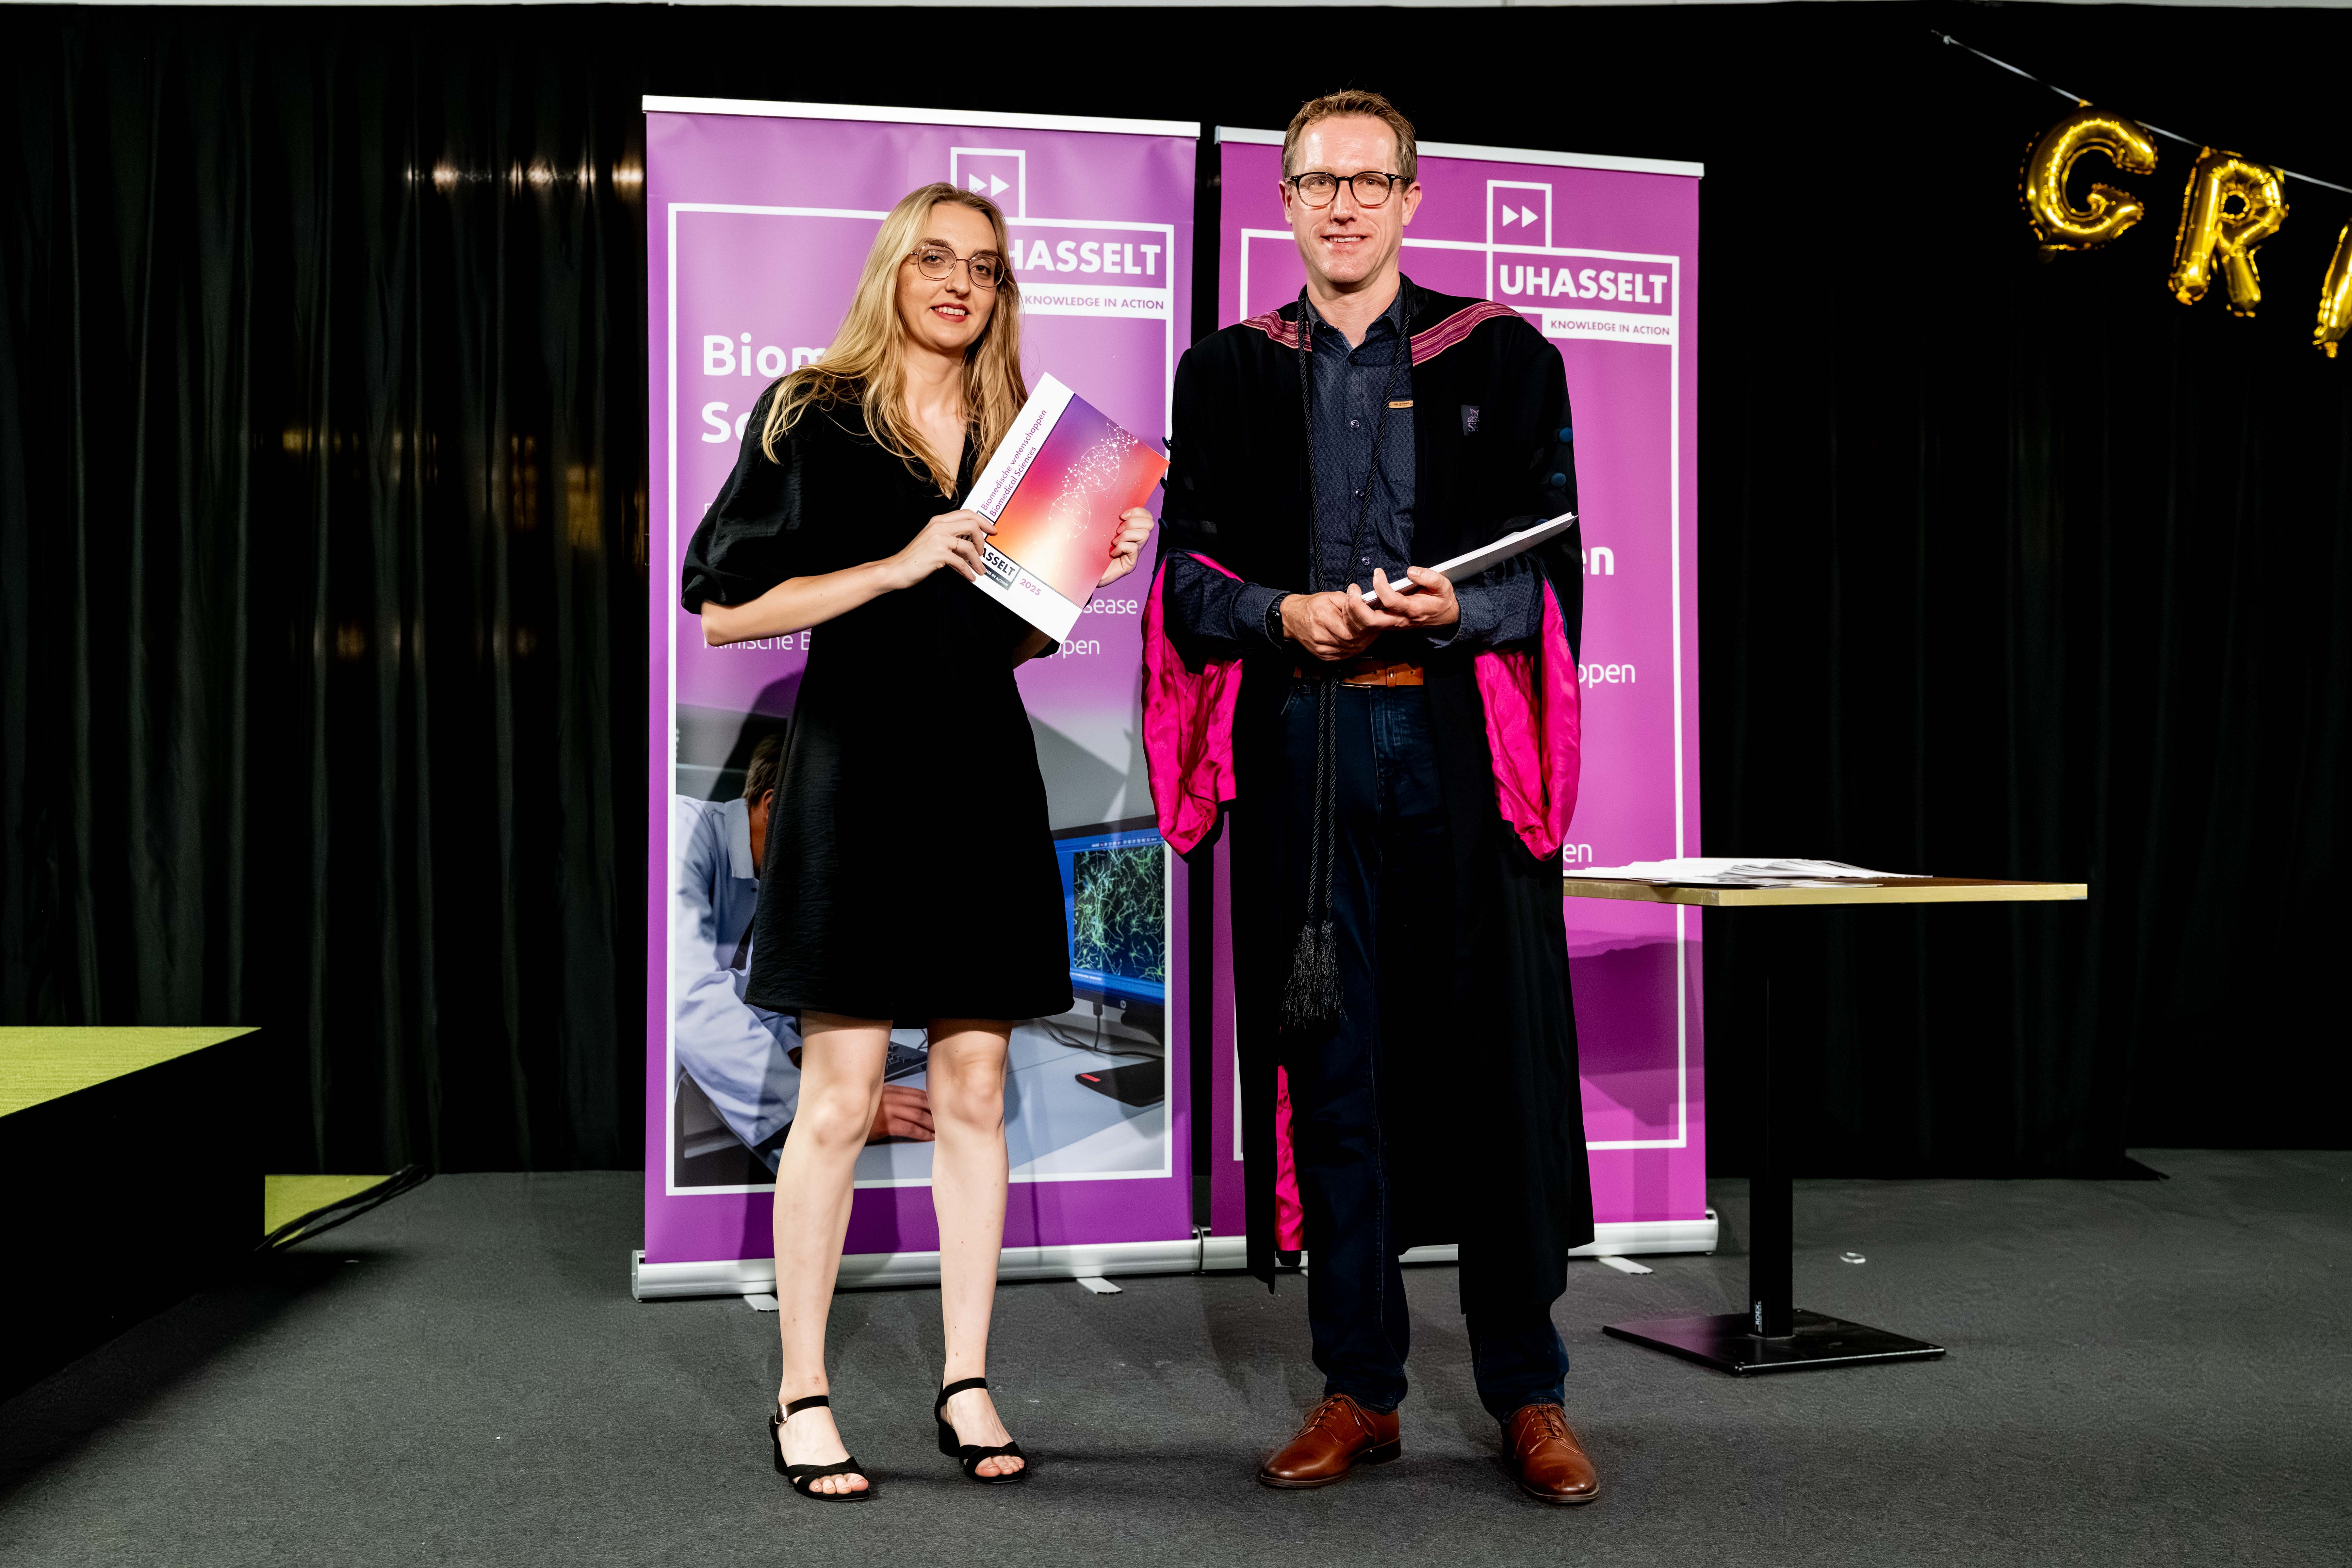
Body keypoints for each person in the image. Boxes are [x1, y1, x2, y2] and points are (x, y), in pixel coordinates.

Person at [1145, 90, 1599, 1505]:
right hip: (1305, 744)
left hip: (1460, 745)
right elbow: (1187, 580)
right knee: (1328, 1063)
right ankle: (1361, 1386)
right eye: (1317, 182)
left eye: (1368, 181)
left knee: (1494, 1065)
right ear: (1283, 202)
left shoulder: (1505, 357)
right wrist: (1281, 613)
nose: (1342, 204)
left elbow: (1552, 572)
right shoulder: (1227, 371)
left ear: (1410, 198)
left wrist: (1461, 606)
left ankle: (1528, 1390)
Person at [682, 181, 1154, 1501]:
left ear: (1003, 293)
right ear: (895, 269)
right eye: (936, 259)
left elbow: (1000, 641)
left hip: (979, 774)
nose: (959, 283)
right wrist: (896, 563)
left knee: (976, 1092)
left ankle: (965, 1381)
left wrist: (1089, 576)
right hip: (853, 776)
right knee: (837, 1099)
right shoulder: (810, 413)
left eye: (985, 268)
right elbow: (724, 610)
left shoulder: (1024, 437)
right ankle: (804, 1391)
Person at [670, 731, 934, 1181]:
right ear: (775, 806)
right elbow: (689, 999)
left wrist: (795, 1051)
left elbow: (753, 991)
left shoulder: (769, 874)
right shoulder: (682, 831)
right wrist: (832, 1112)